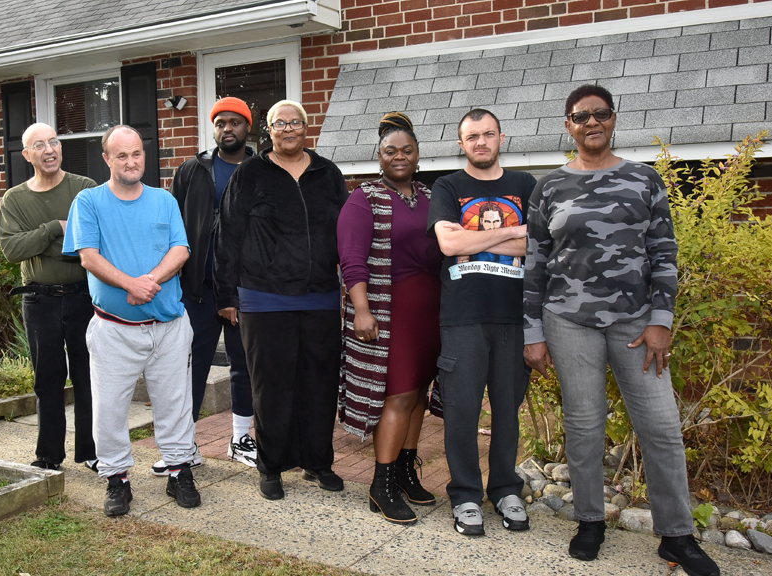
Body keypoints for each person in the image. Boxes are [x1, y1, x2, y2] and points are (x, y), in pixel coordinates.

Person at [523, 85, 719, 576]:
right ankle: (590, 520)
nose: (591, 122)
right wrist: (533, 332)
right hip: (568, 321)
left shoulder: (643, 179)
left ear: (613, 119)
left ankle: (676, 535)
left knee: (661, 427)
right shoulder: (549, 188)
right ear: (567, 125)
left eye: (600, 114)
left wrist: (661, 321)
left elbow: (664, 255)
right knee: (585, 427)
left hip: (636, 324)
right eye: (580, 116)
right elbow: (535, 263)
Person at [63, 125, 200, 516]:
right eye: (121, 155)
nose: (131, 162)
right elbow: (88, 256)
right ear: (106, 159)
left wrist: (149, 282)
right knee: (109, 409)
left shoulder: (164, 200)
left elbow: (181, 249)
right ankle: (117, 480)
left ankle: (179, 471)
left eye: (136, 153)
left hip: (169, 326)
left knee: (175, 404)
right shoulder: (88, 202)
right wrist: (129, 285)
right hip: (114, 330)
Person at [214, 100, 348, 500]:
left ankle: (317, 461)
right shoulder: (250, 174)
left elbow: (346, 233)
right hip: (263, 296)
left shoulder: (328, 173)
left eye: (295, 122)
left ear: (307, 128)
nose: (288, 129)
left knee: (320, 384)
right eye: (279, 123)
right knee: (271, 386)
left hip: (321, 296)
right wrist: (226, 294)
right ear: (268, 131)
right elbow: (228, 235)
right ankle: (270, 465)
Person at [428, 109, 535, 537]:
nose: (481, 142)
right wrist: (511, 233)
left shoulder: (526, 185)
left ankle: (506, 489)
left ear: (501, 138)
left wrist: (473, 240)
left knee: (508, 411)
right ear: (461, 142)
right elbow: (448, 242)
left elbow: (538, 244)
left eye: (488, 134)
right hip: (462, 319)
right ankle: (467, 496)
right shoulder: (448, 186)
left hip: (514, 318)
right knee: (461, 412)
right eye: (472, 136)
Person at [337, 112, 441, 525]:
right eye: (390, 151)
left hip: (430, 311)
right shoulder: (364, 198)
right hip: (388, 310)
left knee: (418, 392)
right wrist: (362, 309)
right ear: (378, 157)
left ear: (418, 156)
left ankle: (403, 472)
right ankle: (379, 486)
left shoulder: (433, 196)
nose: (399, 157)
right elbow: (352, 260)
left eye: (407, 150)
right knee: (396, 395)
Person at [0, 122, 97, 473]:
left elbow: (91, 246)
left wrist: (42, 245)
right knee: (47, 380)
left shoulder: (84, 189)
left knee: (89, 377)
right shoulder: (15, 199)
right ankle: (49, 455)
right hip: (39, 301)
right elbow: (12, 249)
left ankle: (92, 452)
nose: (49, 149)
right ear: (27, 155)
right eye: (39, 145)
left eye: (53, 141)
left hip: (84, 296)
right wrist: (56, 228)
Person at [169, 97, 256, 473]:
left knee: (245, 366)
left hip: (244, 288)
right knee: (191, 366)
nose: (227, 129)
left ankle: (240, 439)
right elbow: (173, 225)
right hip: (197, 289)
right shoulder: (192, 170)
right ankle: (184, 442)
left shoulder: (261, 169)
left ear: (247, 127)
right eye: (221, 123)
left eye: (235, 122)